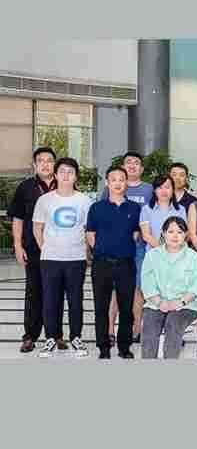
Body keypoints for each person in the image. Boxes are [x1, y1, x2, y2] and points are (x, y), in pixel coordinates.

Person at [32, 157, 91, 358]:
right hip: (50, 259)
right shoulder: (45, 200)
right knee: (50, 300)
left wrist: (86, 253)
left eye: (70, 172)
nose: (66, 175)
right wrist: (45, 248)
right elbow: (37, 227)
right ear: (55, 175)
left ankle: (76, 337)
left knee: (76, 300)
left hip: (76, 258)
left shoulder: (84, 201)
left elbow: (88, 230)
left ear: (76, 176)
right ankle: (50, 338)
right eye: (62, 171)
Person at [85, 166, 141, 359]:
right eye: (113, 179)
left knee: (126, 308)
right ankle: (103, 347)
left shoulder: (134, 208)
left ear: (126, 183)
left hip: (126, 264)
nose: (118, 183)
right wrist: (104, 250)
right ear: (107, 183)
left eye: (121, 179)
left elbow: (136, 234)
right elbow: (90, 235)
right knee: (101, 307)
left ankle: (125, 347)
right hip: (102, 264)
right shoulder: (96, 208)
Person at [9, 146, 58, 353]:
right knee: (34, 292)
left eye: (49, 160)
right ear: (34, 165)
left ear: (54, 164)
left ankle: (55, 335)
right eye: (41, 161)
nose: (45, 164)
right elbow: (18, 218)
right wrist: (17, 245)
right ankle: (30, 336)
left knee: (56, 292)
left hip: (59, 249)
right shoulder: (25, 187)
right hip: (33, 249)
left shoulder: (64, 185)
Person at [102, 151, 153, 343]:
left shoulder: (149, 189)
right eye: (128, 162)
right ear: (123, 166)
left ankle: (136, 329)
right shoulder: (109, 188)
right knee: (115, 290)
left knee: (138, 290)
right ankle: (109, 330)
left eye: (136, 162)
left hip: (140, 248)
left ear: (142, 168)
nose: (132, 165)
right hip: (115, 249)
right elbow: (102, 215)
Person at [140, 216, 197, 359]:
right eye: (171, 232)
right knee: (150, 326)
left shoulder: (193, 257)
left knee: (173, 323)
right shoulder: (152, 256)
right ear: (163, 233)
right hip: (155, 303)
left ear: (185, 235)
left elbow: (196, 287)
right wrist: (160, 302)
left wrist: (180, 302)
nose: (175, 236)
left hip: (186, 305)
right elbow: (147, 284)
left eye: (180, 232)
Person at [140, 176, 187, 253]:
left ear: (173, 190)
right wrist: (164, 250)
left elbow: (184, 232)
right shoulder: (146, 210)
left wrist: (173, 250)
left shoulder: (181, 209)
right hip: (154, 253)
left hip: (177, 253)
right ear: (154, 190)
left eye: (167, 187)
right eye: (160, 188)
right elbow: (146, 235)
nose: (164, 191)